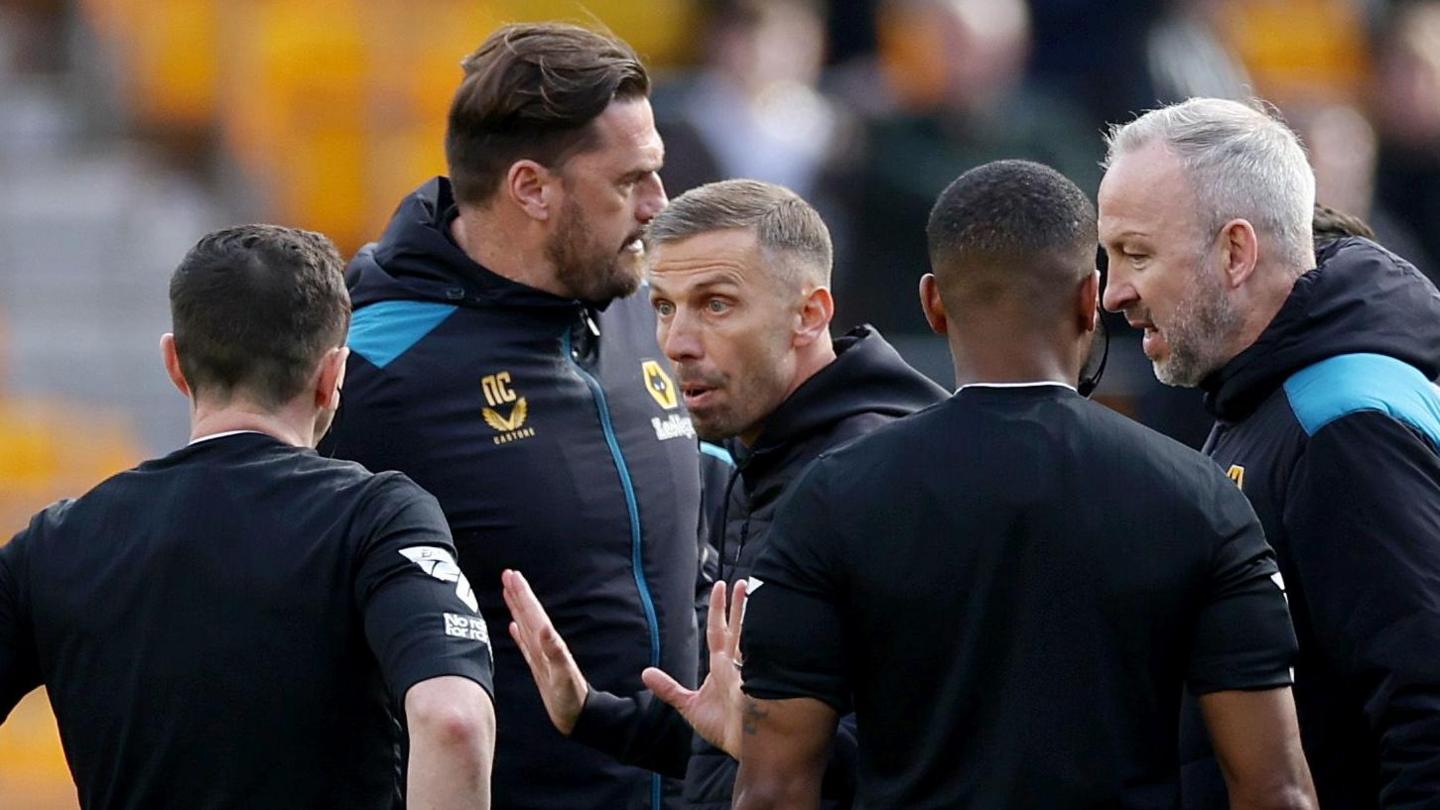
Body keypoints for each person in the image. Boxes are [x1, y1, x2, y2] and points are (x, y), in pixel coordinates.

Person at [733, 159, 1316, 808]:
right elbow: (1275, 791)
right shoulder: (1201, 501)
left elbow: (773, 789)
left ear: (932, 303)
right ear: (1091, 300)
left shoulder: (829, 499)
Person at [317, 22, 704, 810]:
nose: (658, 205)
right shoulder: (371, 363)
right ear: (532, 188)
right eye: (631, 180)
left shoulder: (649, 311)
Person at [0, 225, 496, 810]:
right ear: (333, 375)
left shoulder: (59, 541)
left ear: (174, 363)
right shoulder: (377, 519)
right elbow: (453, 721)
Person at [501, 179, 948, 809]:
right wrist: (595, 714)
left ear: (810, 314)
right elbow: (753, 729)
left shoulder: (873, 477)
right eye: (663, 306)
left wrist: (762, 742)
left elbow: (927, 758)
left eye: (715, 305)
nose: (676, 343)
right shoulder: (769, 451)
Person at [1100, 96, 1440, 809]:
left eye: (1137, 253)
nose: (1113, 293)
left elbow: (1428, 712)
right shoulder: (1260, 394)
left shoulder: (1343, 424)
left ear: (1235, 252)